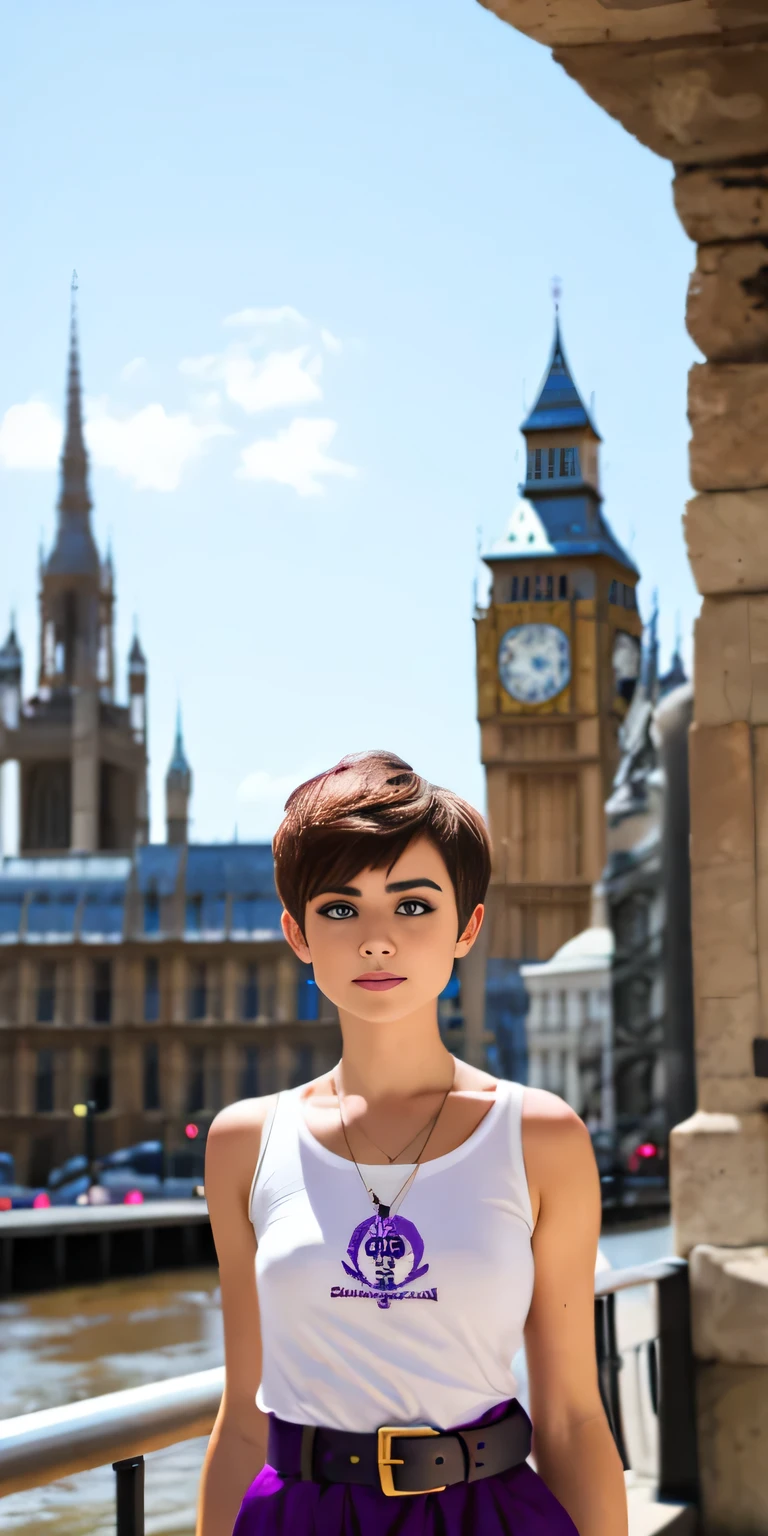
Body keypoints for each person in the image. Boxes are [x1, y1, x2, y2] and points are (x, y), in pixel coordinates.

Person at [196, 751, 628, 1536]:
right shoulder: (243, 1143)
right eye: (339, 909)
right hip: (299, 1515)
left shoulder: (541, 1137)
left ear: (468, 926)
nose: (376, 940)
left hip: (488, 1512)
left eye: (413, 906)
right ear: (296, 933)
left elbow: (569, 1417)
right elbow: (244, 1419)